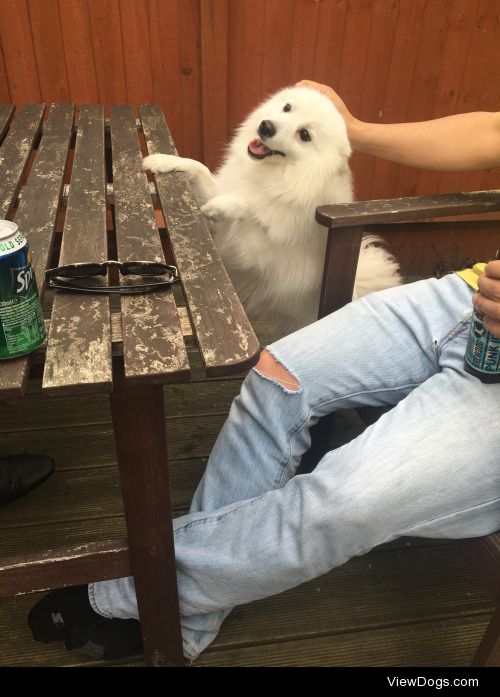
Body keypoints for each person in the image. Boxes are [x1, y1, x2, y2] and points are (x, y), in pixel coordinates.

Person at [28, 81, 500, 662]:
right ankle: (190, 620)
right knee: (276, 374)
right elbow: (493, 132)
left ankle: (134, 593)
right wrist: (352, 128)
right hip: (464, 300)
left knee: (343, 501)